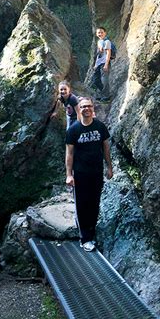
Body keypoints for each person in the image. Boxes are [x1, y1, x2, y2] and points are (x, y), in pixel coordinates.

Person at [65, 97, 113, 251]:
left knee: (94, 204)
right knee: (82, 205)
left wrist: (109, 167)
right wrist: (69, 175)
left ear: (93, 109)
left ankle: (91, 232)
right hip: (80, 173)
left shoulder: (100, 127)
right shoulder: (73, 130)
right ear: (79, 109)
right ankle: (85, 238)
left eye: (89, 106)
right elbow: (69, 154)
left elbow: (106, 148)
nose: (86, 109)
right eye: (83, 106)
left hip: (96, 172)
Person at [93, 27, 111, 102]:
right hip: (99, 64)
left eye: (101, 32)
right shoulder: (99, 41)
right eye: (98, 32)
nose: (100, 34)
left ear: (105, 33)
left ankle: (106, 96)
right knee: (96, 80)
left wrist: (106, 64)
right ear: (97, 34)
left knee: (104, 80)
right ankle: (102, 94)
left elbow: (108, 53)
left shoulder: (107, 42)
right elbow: (99, 54)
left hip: (104, 63)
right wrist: (96, 64)